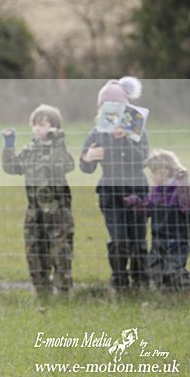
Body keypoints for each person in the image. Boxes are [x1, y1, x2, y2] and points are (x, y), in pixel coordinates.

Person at [80, 77, 149, 291]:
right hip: (109, 193)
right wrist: (88, 157)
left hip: (137, 191)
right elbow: (85, 167)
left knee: (137, 239)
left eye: (118, 106)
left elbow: (142, 160)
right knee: (118, 239)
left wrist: (125, 139)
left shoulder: (137, 133)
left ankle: (141, 281)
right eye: (108, 107)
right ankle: (119, 281)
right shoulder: (96, 133)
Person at [2, 104, 75, 296]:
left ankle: (63, 290)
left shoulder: (59, 148)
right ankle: (42, 291)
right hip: (35, 211)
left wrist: (57, 139)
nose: (37, 129)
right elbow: (12, 167)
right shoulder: (29, 150)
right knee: (34, 251)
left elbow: (63, 165)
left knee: (60, 252)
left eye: (42, 125)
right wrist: (9, 146)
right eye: (35, 125)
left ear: (54, 127)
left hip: (58, 212)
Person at [125, 149, 190, 293]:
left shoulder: (180, 189)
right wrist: (136, 203)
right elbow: (149, 210)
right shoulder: (156, 191)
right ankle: (166, 295)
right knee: (155, 269)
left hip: (178, 240)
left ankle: (184, 293)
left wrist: (183, 187)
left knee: (173, 269)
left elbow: (189, 206)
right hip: (159, 239)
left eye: (154, 172)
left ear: (165, 171)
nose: (151, 176)